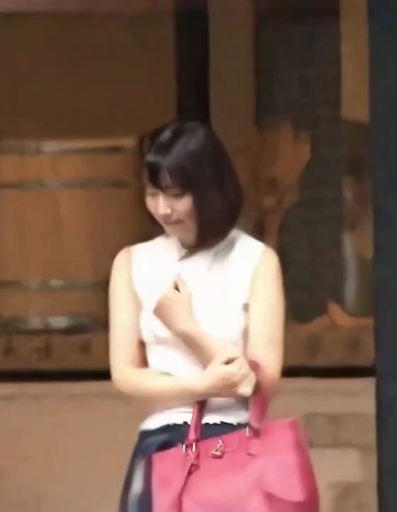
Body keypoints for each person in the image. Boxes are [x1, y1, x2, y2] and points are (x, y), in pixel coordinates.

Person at [108, 121, 286, 512]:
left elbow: (258, 382)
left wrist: (186, 328)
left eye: (177, 194)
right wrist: (203, 385)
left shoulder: (256, 261)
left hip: (233, 448)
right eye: (153, 193)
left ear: (209, 190)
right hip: (161, 446)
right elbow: (125, 373)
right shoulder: (133, 263)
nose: (163, 208)